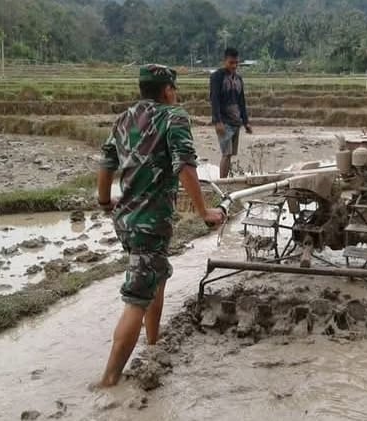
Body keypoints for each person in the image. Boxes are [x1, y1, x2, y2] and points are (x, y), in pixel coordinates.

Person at [97, 64, 225, 388]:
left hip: (126, 219)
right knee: (138, 296)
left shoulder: (124, 118)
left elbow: (107, 163)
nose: (176, 94)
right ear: (168, 89)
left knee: (156, 277)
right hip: (148, 223)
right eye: (175, 88)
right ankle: (109, 380)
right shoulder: (173, 117)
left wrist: (103, 202)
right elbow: (184, 165)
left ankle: (153, 344)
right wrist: (203, 211)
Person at [210, 47, 252, 178]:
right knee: (226, 154)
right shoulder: (217, 77)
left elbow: (242, 102)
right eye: (231, 63)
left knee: (230, 154)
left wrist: (246, 122)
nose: (234, 66)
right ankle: (222, 183)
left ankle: (225, 181)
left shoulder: (238, 79)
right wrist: (217, 121)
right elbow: (214, 99)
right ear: (225, 61)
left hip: (235, 121)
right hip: (224, 121)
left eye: (236, 63)